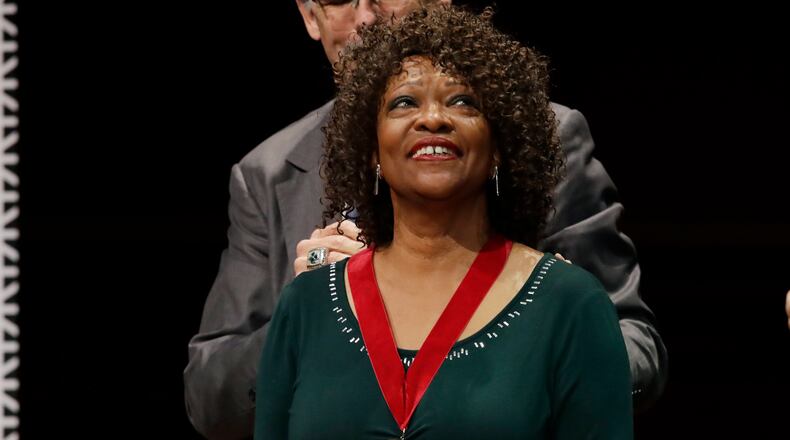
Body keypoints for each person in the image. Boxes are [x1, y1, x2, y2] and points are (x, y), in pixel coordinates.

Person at [183, 1, 667, 438]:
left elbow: (634, 344)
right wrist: (304, 330)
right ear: (310, 17)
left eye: (460, 102)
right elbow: (209, 399)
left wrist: (542, 340)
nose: (365, 16)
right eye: (337, 1)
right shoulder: (265, 177)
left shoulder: (546, 142)